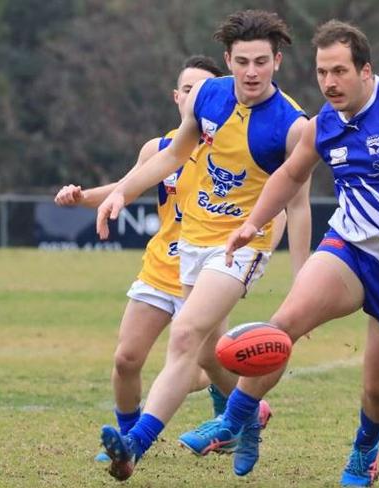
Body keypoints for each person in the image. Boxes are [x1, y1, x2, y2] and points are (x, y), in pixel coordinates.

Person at [183, 20, 379, 487]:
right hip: (348, 251)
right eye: (322, 72)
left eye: (340, 71)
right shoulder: (324, 122)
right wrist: (252, 223)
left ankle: (365, 451)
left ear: (366, 70)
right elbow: (287, 176)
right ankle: (234, 421)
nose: (329, 82)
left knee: (378, 389)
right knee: (279, 329)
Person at [94, 10, 311, 481]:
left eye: (261, 61)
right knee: (213, 354)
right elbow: (174, 154)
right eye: (241, 61)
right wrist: (120, 192)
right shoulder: (209, 96)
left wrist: (303, 281)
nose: (251, 72)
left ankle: (134, 444)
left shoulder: (292, 126)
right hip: (193, 237)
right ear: (227, 61)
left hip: (243, 246)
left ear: (277, 61)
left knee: (185, 334)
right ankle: (247, 419)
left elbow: (298, 207)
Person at [55, 55, 232, 462]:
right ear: (175, 96)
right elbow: (126, 187)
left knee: (200, 363)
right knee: (126, 358)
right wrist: (82, 198)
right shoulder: (160, 148)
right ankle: (126, 436)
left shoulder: (231, 148)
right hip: (160, 268)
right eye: (187, 89)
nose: (194, 96)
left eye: (204, 89)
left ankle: (232, 412)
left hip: (208, 271)